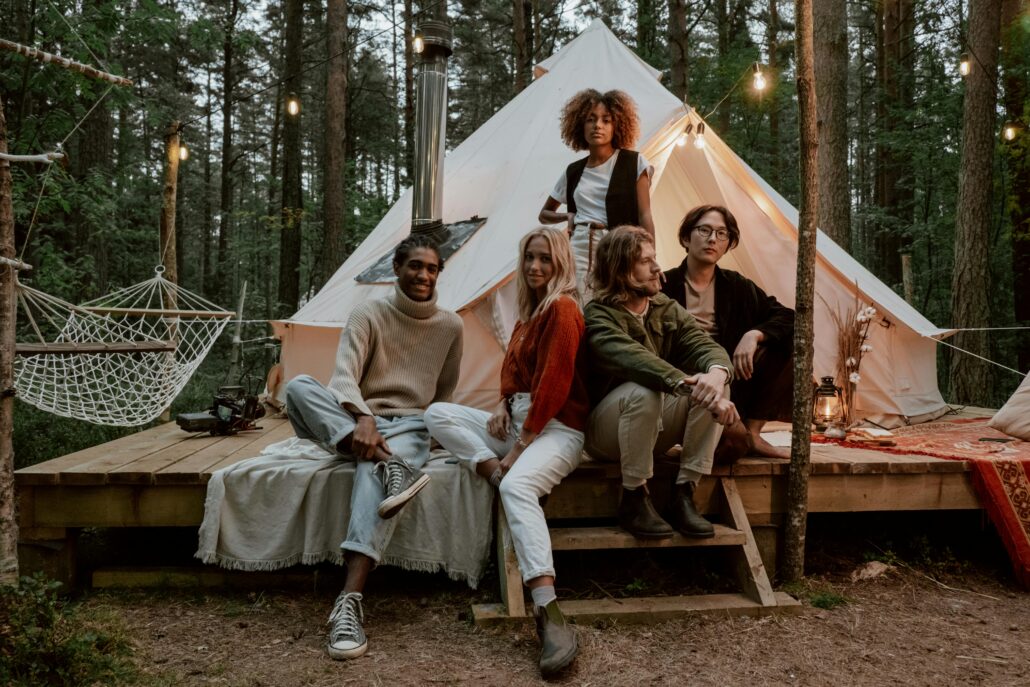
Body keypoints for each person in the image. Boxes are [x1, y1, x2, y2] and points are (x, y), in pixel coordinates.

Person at [283, 234, 463, 660]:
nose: (423, 274)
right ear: (396, 269)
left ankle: (348, 603)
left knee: (372, 480)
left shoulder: (451, 326)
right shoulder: (368, 313)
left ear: (439, 273)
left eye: (432, 268)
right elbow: (343, 376)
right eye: (415, 266)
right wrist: (363, 417)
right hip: (356, 419)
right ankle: (391, 465)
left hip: (409, 424)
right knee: (298, 387)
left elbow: (444, 392)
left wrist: (431, 430)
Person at [424, 228, 587, 678]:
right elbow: (512, 373)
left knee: (518, 485)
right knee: (438, 414)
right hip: (516, 422)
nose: (535, 267)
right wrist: (500, 405)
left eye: (545, 260)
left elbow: (554, 385)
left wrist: (519, 448)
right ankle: (489, 469)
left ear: (560, 264)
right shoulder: (527, 313)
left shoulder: (564, 309)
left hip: (555, 429)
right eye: (529, 258)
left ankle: (548, 612)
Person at [583, 225, 738, 540]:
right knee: (647, 390)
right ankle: (634, 497)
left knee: (716, 383)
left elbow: (704, 345)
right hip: (604, 434)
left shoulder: (665, 308)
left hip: (652, 428)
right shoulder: (598, 317)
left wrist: (717, 375)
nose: (657, 268)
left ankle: (684, 493)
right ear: (621, 270)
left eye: (655, 258)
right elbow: (639, 363)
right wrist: (695, 388)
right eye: (645, 261)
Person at [661, 205, 795, 459]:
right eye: (705, 230)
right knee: (731, 444)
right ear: (687, 238)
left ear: (728, 244)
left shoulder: (736, 286)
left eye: (722, 234)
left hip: (727, 378)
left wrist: (754, 334)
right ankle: (682, 441)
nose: (713, 239)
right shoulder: (664, 285)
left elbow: (788, 317)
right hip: (681, 383)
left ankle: (753, 432)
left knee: (791, 342)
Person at [538, 89, 655, 291]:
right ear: (580, 125)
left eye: (606, 120)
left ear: (617, 125)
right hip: (580, 245)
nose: (597, 125)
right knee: (579, 302)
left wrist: (651, 257)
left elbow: (645, 215)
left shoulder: (634, 162)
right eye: (590, 119)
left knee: (615, 302)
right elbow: (544, 214)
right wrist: (567, 216)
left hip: (619, 247)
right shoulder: (573, 171)